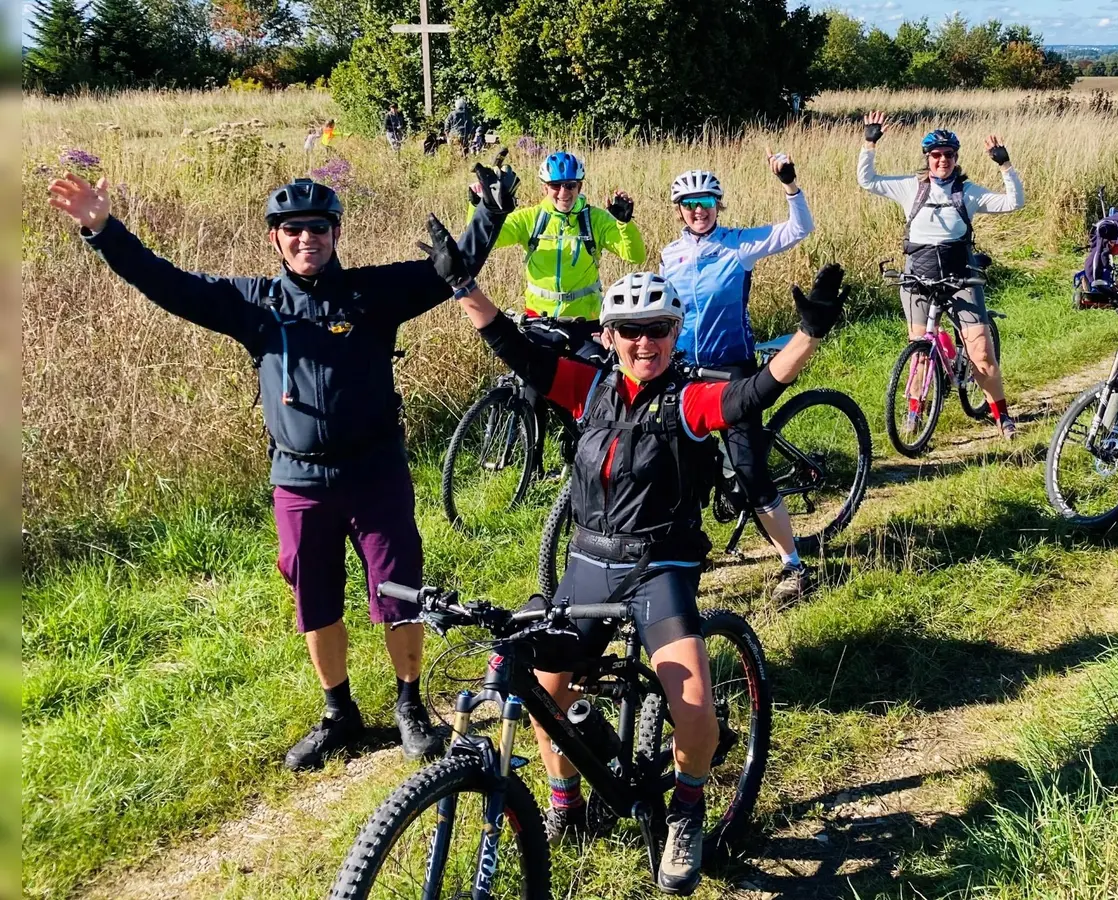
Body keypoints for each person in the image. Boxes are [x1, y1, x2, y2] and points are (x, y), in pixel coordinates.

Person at [46, 163, 522, 772]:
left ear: (335, 234)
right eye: (293, 229)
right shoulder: (254, 304)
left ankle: (409, 705)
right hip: (298, 479)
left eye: (318, 229)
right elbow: (168, 284)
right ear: (275, 237)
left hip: (375, 472)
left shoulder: (372, 294)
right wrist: (104, 230)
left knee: (399, 592)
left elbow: (448, 272)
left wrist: (491, 212)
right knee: (315, 598)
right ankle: (338, 713)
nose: (306, 239)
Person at [429, 205, 847, 891]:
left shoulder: (687, 399)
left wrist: (808, 334)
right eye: (629, 331)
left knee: (694, 709)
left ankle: (686, 808)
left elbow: (751, 394)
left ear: (674, 334)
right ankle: (566, 805)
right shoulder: (588, 386)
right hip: (590, 560)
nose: (642, 342)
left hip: (661, 567)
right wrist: (463, 287)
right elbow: (518, 351)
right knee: (544, 691)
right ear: (610, 334)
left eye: (655, 330)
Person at [659, 153, 816, 603]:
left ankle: (792, 562)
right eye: (689, 202)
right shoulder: (671, 254)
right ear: (679, 210)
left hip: (732, 368)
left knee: (749, 471)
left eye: (705, 200)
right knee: (677, 461)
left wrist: (790, 184)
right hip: (684, 370)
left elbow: (798, 230)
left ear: (718, 203)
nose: (698, 209)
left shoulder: (739, 245)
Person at [858, 110, 1024, 439]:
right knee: (919, 349)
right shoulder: (911, 187)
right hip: (919, 277)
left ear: (956, 157)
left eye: (948, 155)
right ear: (927, 158)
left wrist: (1004, 165)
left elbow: (1014, 203)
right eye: (935, 155)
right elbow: (868, 181)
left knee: (981, 355)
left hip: (961, 276)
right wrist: (869, 143)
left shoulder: (969, 192)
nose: (942, 161)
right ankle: (914, 413)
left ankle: (1002, 416)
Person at [475, 150, 645, 351]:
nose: (563, 192)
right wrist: (481, 206)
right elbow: (484, 241)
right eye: (555, 185)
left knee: (594, 380)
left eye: (570, 185)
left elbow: (635, 256)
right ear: (544, 188)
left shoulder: (595, 219)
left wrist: (624, 224)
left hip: (586, 324)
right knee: (535, 380)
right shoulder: (530, 219)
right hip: (539, 322)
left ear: (579, 186)